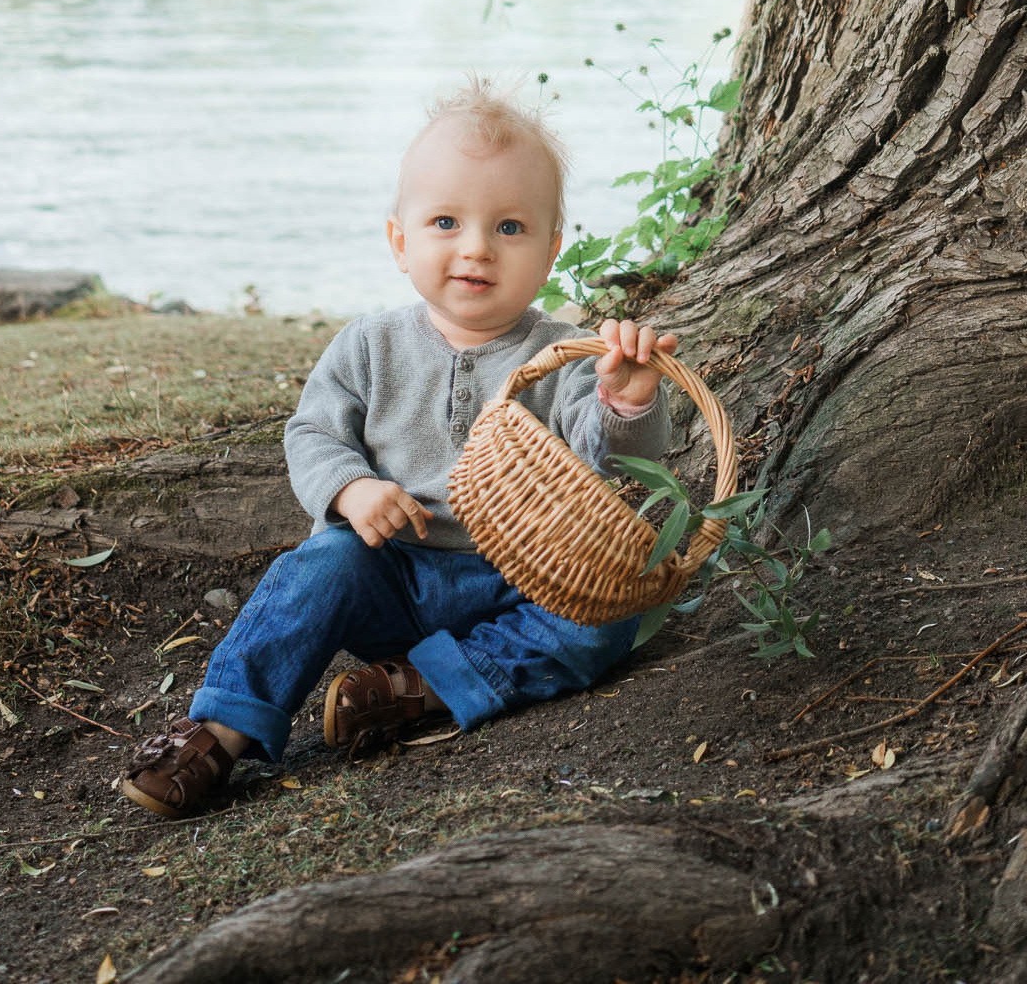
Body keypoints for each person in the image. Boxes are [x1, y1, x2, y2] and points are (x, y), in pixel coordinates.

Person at [120, 76, 678, 818]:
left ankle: (416, 688)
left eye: (509, 227)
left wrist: (627, 396)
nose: (475, 247)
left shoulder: (562, 355)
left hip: (517, 581)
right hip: (390, 573)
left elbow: (604, 455)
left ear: (549, 250)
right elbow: (313, 432)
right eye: (445, 221)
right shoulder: (369, 345)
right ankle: (221, 727)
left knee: (605, 619)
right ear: (399, 240)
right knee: (318, 566)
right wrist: (349, 488)